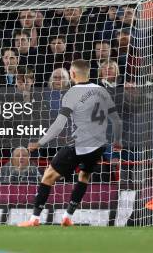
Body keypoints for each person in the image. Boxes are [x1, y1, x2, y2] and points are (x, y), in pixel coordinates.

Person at [19, 60, 122, 227]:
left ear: (73, 74)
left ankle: (34, 219)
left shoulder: (72, 93)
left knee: (48, 175)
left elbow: (59, 124)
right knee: (84, 176)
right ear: (88, 73)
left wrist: (40, 142)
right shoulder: (102, 91)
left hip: (81, 143)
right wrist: (117, 140)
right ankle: (67, 216)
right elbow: (116, 121)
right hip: (99, 145)